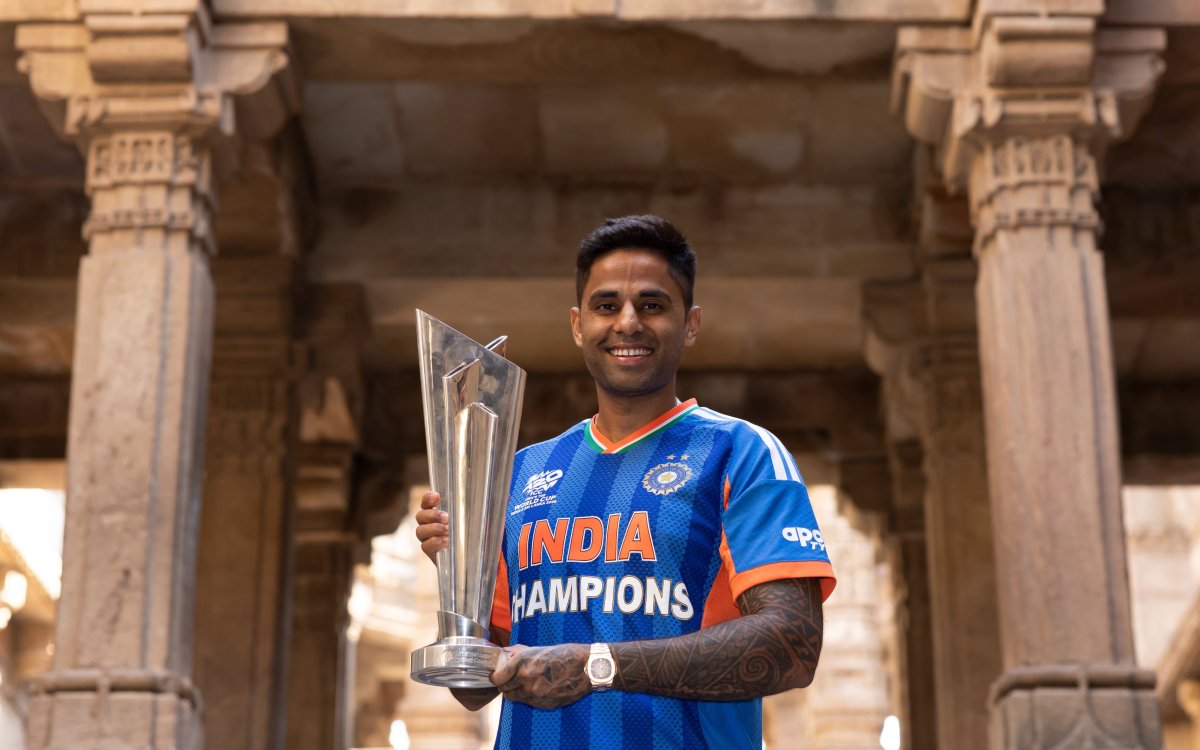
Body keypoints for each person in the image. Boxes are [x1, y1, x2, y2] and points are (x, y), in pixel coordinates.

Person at [414, 215, 836, 749]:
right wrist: (457, 576)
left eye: (653, 306)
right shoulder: (519, 473)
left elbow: (792, 647)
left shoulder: (742, 452)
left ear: (691, 324)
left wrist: (598, 665)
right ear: (577, 324)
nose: (628, 323)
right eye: (606, 306)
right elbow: (475, 689)